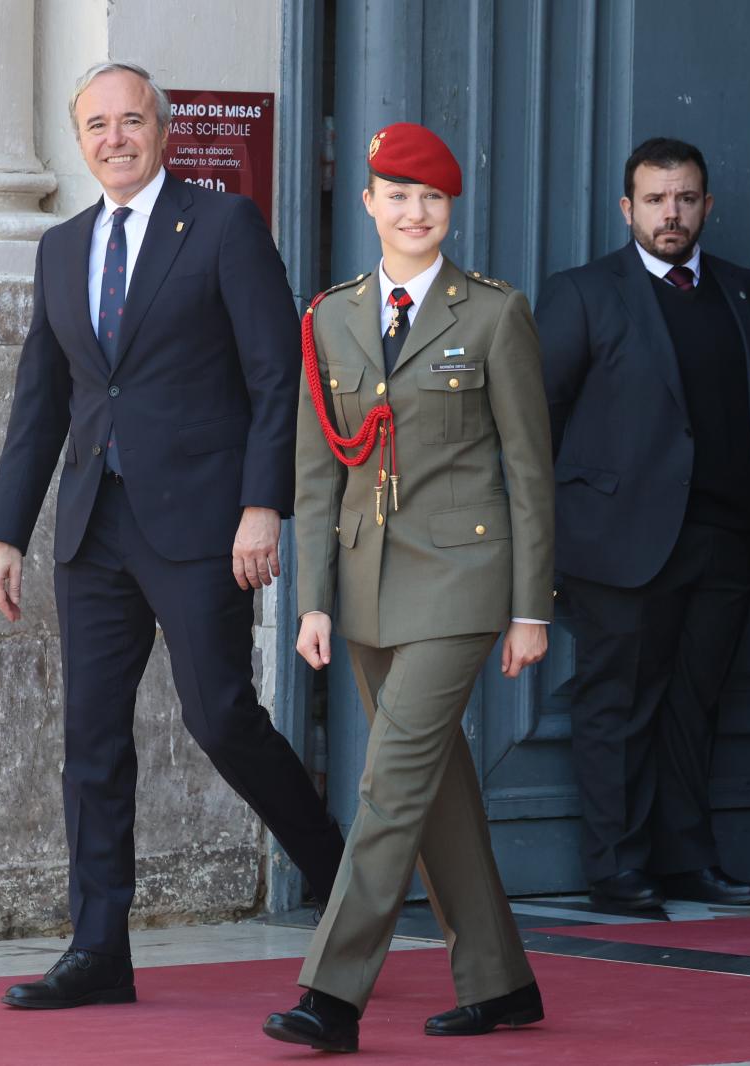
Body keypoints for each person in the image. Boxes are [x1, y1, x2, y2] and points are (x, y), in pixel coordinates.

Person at [0, 61, 343, 1008]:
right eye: (97, 124)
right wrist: (5, 531)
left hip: (199, 525)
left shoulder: (222, 226)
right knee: (92, 741)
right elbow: (41, 400)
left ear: (164, 129)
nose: (115, 138)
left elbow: (276, 376)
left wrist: (262, 505)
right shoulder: (60, 247)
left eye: (131, 120)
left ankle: (343, 881)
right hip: (92, 528)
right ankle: (99, 949)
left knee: (220, 717)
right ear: (80, 140)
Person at [263, 122, 553, 1053]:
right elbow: (317, 473)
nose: (415, 212)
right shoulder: (330, 316)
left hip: (463, 580)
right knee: (436, 787)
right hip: (364, 585)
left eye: (431, 198)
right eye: (398, 195)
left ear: (450, 208)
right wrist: (312, 600)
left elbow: (529, 471)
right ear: (369, 203)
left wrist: (531, 609)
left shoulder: (494, 315)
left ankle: (332, 993)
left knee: (389, 785)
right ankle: (501, 982)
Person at [535, 137, 750, 912]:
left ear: (707, 205)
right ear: (627, 207)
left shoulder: (742, 291)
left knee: (693, 707)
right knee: (618, 707)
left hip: (724, 537)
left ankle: (687, 859)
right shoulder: (582, 293)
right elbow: (536, 421)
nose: (672, 213)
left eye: (686, 198)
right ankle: (617, 868)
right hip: (619, 541)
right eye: (656, 199)